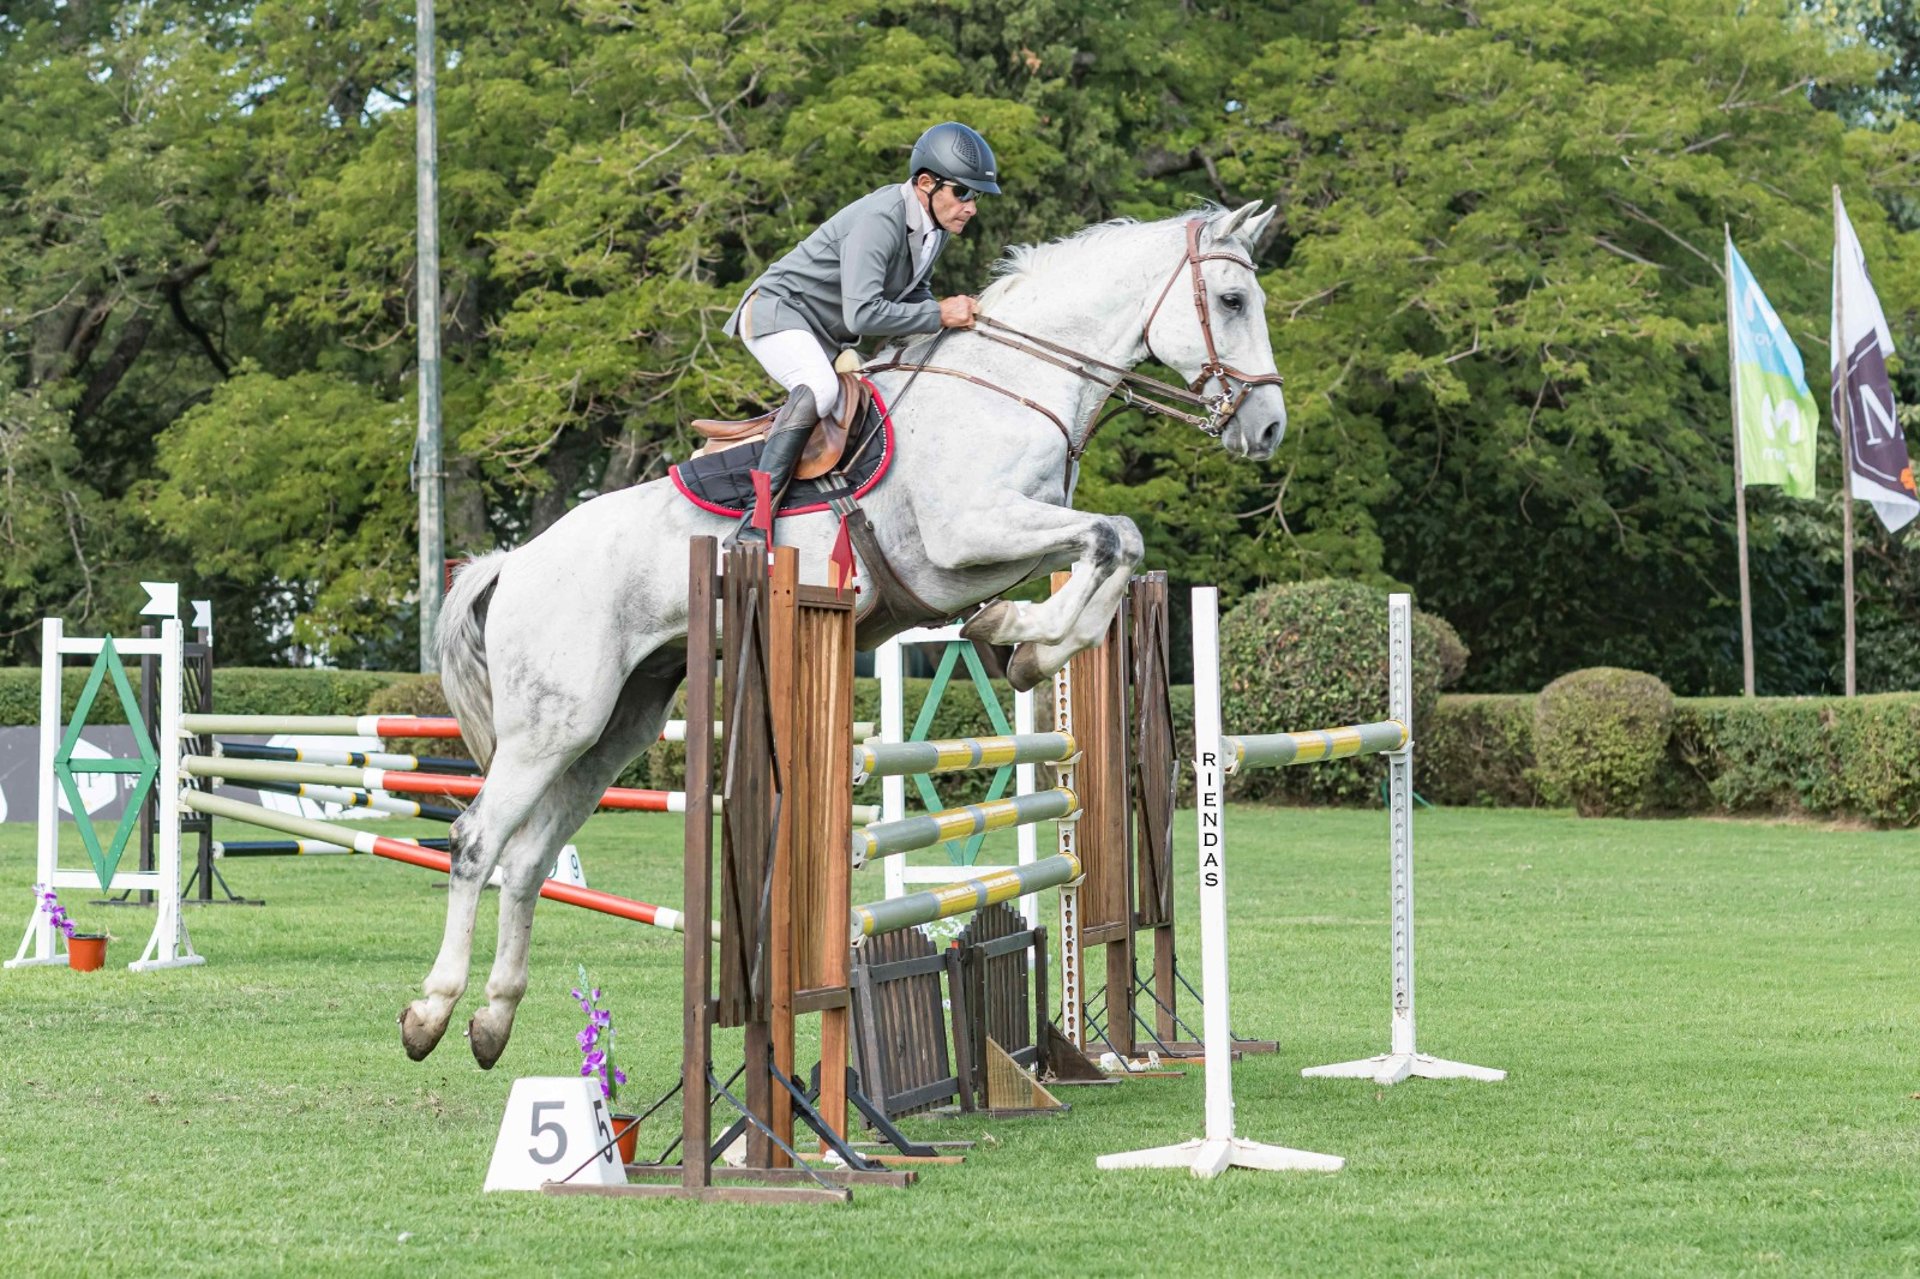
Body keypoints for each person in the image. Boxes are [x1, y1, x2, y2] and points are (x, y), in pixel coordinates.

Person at [722, 121, 1001, 542]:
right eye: (962, 192)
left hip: (820, 331)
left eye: (975, 195)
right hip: (778, 313)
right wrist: (939, 315)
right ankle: (754, 522)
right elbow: (864, 316)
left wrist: (949, 322)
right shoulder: (881, 218)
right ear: (926, 183)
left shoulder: (934, 229)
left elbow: (913, 292)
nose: (971, 206)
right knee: (819, 389)